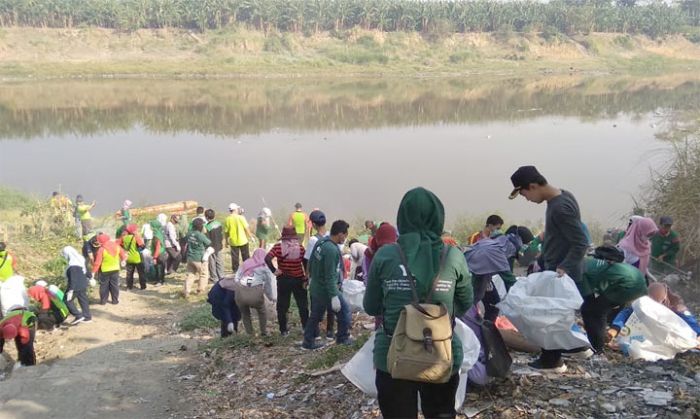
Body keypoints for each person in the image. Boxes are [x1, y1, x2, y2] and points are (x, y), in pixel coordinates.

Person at [363, 187, 473, 418]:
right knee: (441, 413)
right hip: (442, 353)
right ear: (438, 217)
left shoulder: (385, 255)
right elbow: (464, 304)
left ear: (402, 218)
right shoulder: (453, 256)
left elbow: (371, 306)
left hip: (393, 357)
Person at [509, 165, 589, 372]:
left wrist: (563, 267)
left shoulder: (560, 207)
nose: (526, 199)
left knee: (548, 317)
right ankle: (577, 347)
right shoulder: (561, 196)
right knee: (556, 315)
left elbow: (581, 242)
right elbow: (560, 235)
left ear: (533, 186)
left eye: (524, 194)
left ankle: (552, 361)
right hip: (556, 266)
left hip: (560, 272)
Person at [575, 246, 647, 354]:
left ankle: (596, 347)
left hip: (629, 284)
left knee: (590, 310)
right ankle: (608, 333)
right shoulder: (587, 264)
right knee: (599, 308)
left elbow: (588, 298)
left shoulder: (579, 271)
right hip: (637, 279)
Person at [463, 226, 533, 321]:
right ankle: (475, 328)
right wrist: (521, 305)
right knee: (469, 304)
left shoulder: (500, 243)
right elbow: (510, 282)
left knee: (492, 302)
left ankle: (483, 326)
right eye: (525, 244)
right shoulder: (499, 252)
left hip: (480, 274)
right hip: (471, 274)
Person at [302, 220, 353, 350]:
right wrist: (334, 296)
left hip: (316, 287)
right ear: (341, 234)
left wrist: (309, 277)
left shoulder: (321, 241)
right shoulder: (331, 250)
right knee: (345, 311)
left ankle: (308, 342)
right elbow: (330, 276)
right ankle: (342, 338)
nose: (345, 238)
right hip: (326, 290)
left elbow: (311, 261)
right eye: (345, 235)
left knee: (315, 316)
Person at [610, 282, 700, 342]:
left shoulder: (676, 307)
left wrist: (698, 334)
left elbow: (690, 322)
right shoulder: (643, 304)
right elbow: (626, 313)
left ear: (663, 300)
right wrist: (616, 328)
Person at [266, 226, 308, 336]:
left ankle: (283, 330)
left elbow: (267, 258)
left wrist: (274, 270)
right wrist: (305, 278)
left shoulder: (278, 247)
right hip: (298, 279)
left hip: (283, 280)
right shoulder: (300, 248)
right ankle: (305, 327)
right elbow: (306, 263)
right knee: (302, 304)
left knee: (282, 306)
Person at [234, 248, 276, 336]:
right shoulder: (265, 267)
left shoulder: (245, 263)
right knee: (262, 311)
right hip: (255, 292)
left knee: (245, 313)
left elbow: (236, 278)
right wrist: (271, 297)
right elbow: (269, 285)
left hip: (240, 292)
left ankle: (249, 333)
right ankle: (263, 331)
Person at [61, 246, 92, 324]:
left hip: (75, 286)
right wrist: (90, 277)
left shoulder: (72, 266)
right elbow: (87, 269)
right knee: (83, 300)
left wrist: (70, 290)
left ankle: (78, 315)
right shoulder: (80, 259)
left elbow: (73, 279)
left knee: (66, 300)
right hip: (83, 283)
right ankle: (87, 317)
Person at [92, 234, 126, 305]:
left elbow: (97, 262)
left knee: (104, 286)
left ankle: (103, 301)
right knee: (114, 285)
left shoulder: (101, 249)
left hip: (104, 271)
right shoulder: (117, 246)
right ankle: (115, 301)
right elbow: (123, 255)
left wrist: (93, 272)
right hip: (115, 269)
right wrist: (123, 261)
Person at [184, 218, 213, 298]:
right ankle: (200, 290)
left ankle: (186, 291)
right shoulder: (200, 235)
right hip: (199, 258)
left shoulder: (189, 233)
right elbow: (209, 243)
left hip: (190, 257)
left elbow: (186, 240)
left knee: (190, 274)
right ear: (200, 226)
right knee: (203, 274)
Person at [224, 203, 253, 274]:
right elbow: (246, 228)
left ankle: (235, 271)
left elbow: (226, 232)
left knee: (234, 257)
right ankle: (247, 270)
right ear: (235, 210)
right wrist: (251, 236)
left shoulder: (227, 219)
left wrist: (226, 241)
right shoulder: (241, 218)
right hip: (243, 240)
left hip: (233, 241)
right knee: (246, 256)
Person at [118, 224, 147, 291]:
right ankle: (143, 286)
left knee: (129, 273)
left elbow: (119, 244)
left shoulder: (123, 237)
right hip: (137, 257)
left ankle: (129, 287)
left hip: (128, 257)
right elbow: (142, 246)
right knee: (141, 272)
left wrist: (125, 250)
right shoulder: (136, 237)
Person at [205, 209, 224, 283]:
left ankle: (214, 278)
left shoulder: (207, 227)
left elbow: (207, 238)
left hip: (212, 247)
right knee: (219, 261)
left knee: (212, 263)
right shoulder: (218, 223)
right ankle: (221, 276)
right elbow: (221, 235)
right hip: (219, 246)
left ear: (206, 217)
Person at [149, 215, 169, 286]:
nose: (150, 227)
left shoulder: (157, 236)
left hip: (159, 254)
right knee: (158, 268)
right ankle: (158, 280)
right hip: (161, 253)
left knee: (159, 268)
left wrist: (154, 257)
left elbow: (158, 247)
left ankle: (160, 281)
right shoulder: (159, 232)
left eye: (151, 226)